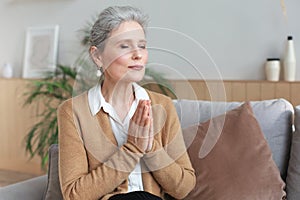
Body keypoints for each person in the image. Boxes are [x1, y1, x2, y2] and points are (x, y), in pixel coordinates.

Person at [58, 6, 196, 200]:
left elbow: (184, 187)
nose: (138, 54)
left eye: (142, 45)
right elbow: (74, 195)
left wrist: (150, 147)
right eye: (125, 46)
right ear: (98, 56)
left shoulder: (162, 105)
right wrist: (132, 149)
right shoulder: (73, 111)